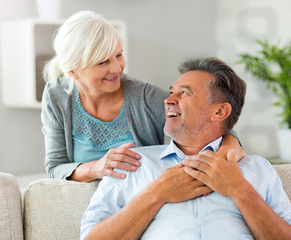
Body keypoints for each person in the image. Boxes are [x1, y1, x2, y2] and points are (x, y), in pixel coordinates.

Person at [80, 57, 291, 240]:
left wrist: (240, 190)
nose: (168, 100)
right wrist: (156, 193)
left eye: (184, 93)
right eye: (171, 92)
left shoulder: (256, 169)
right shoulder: (132, 163)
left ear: (219, 112)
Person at [41, 11, 243, 182]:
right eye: (102, 62)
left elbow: (209, 121)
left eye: (118, 55)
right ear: (73, 72)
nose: (116, 68)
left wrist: (229, 148)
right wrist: (96, 168)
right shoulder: (56, 96)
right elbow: (55, 167)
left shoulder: (145, 97)